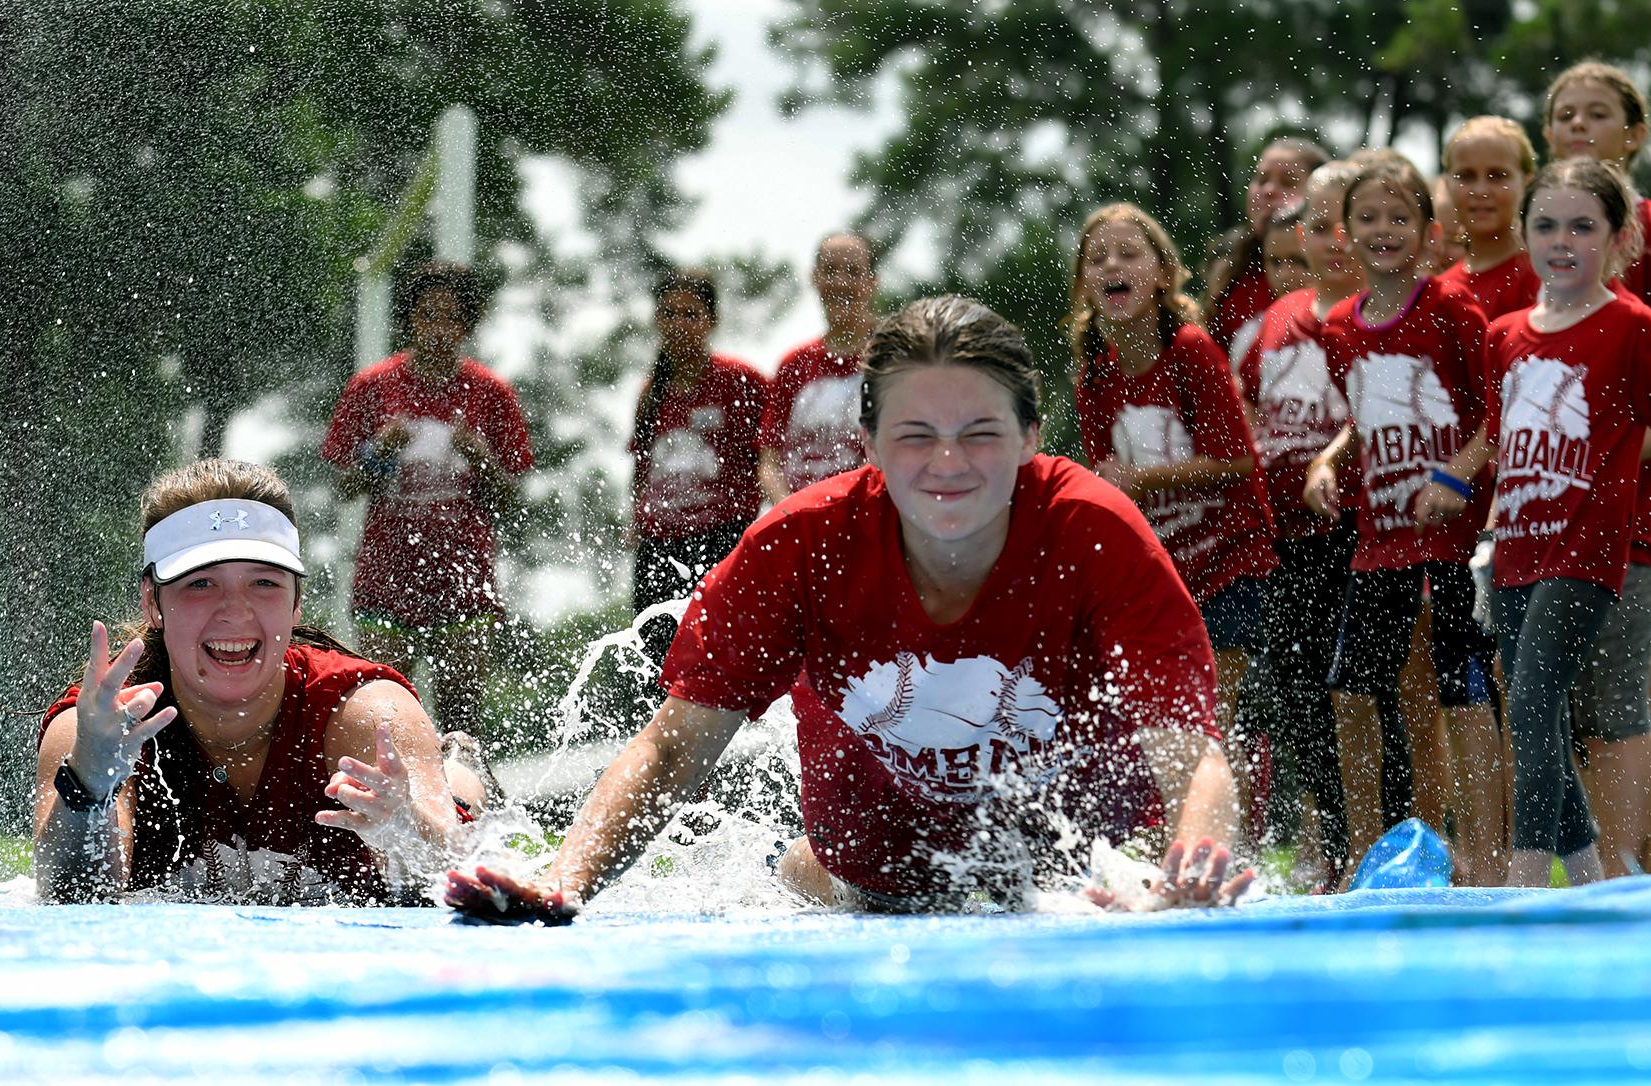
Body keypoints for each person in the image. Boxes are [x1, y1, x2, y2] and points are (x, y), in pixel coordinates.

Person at [446, 295, 1252, 921]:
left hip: (1071, 862)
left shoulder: (1093, 530)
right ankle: (797, 865)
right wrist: (562, 881)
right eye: (914, 434)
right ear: (865, 441)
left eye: (979, 432)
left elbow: (1187, 747)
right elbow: (672, 750)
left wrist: (1193, 865)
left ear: (1031, 435)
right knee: (833, 876)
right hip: (869, 864)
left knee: (1125, 878)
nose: (947, 464)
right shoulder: (802, 542)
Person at [1418, 157, 1651, 887]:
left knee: (1537, 697)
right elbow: (1509, 451)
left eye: (1582, 226)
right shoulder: (1504, 335)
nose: (1561, 240)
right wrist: (1485, 542)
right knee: (1533, 706)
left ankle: (1528, 876)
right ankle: (1592, 867)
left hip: (1590, 552)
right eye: (1545, 225)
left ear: (1617, 236)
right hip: (1515, 554)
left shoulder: (1633, 325)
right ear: (1524, 233)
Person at [34, 460, 467, 905]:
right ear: (153, 602)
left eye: (263, 582)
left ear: (297, 603)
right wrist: (88, 781)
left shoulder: (363, 712)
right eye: (200, 584)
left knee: (452, 800)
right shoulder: (98, 729)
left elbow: (454, 874)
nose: (235, 611)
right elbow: (69, 898)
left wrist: (405, 826)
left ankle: (460, 768)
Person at [1303, 157, 1507, 887]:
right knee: (1352, 690)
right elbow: (1365, 417)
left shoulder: (1451, 308)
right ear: (1342, 235)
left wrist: (1456, 474)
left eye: (1399, 218)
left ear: (1428, 231)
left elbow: (1498, 409)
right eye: (1367, 219)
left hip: (1456, 540)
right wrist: (1325, 462)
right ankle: (1367, 851)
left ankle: (1483, 857)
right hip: (1380, 539)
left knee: (1463, 688)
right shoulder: (1336, 326)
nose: (1382, 231)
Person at [1542, 61, 1651, 875]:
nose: (1578, 126)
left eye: (1598, 114)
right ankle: (1595, 857)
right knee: (1571, 685)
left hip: (1632, 486)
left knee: (1632, 678)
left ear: (1635, 134)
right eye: (1563, 115)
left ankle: (1640, 861)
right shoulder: (1546, 227)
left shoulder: (1648, 226)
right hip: (1554, 489)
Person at [1068, 203, 1279, 849]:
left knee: (1208, 715)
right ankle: (1189, 841)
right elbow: (1105, 480)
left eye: (1129, 253)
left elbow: (1240, 459)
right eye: (1097, 258)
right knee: (1167, 717)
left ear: (1162, 274)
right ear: (1083, 286)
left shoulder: (1189, 350)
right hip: (1167, 575)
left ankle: (1210, 849)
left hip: (1233, 560)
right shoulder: (1096, 374)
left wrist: (1143, 482)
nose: (1112, 266)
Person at [321, 262, 534, 739]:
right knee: (385, 714)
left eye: (450, 318)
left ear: (466, 326)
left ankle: (466, 806)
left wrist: (481, 460)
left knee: (462, 726)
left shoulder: (491, 393)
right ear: (410, 320)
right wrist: (379, 454)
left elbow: (511, 495)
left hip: (464, 574)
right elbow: (345, 489)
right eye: (427, 315)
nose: (438, 329)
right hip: (387, 572)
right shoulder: (373, 387)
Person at [1237, 163, 1362, 887]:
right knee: (1299, 694)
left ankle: (1368, 838)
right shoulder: (1277, 321)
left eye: (1344, 227)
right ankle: (1328, 846)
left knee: (1361, 691)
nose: (1332, 242)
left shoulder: (1375, 314)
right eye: (1318, 229)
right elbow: (1251, 408)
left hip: (1358, 529)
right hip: (1285, 537)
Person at [628, 269, 767, 665]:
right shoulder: (651, 392)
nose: (679, 325)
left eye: (690, 314)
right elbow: (642, 470)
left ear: (712, 320)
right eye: (669, 314)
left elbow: (770, 455)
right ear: (657, 320)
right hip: (659, 546)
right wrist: (634, 522)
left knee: (725, 656)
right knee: (656, 662)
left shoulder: (740, 381)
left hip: (723, 538)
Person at [759, 232, 880, 505]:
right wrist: (791, 511)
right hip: (803, 521)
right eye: (830, 271)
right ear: (814, 278)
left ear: (872, 282)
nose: (840, 282)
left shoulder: (894, 358)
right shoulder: (793, 365)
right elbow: (769, 461)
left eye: (853, 272)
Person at [1202, 137, 1331, 365]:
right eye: (1261, 180)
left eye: (1287, 182)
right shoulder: (1229, 270)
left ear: (1321, 197)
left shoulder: (1343, 271)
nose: (1269, 191)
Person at [1438, 117, 1540, 320]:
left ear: (1526, 183)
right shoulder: (1439, 291)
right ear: (1448, 183)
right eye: (1466, 176)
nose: (1481, 190)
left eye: (1497, 175)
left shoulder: (1546, 277)